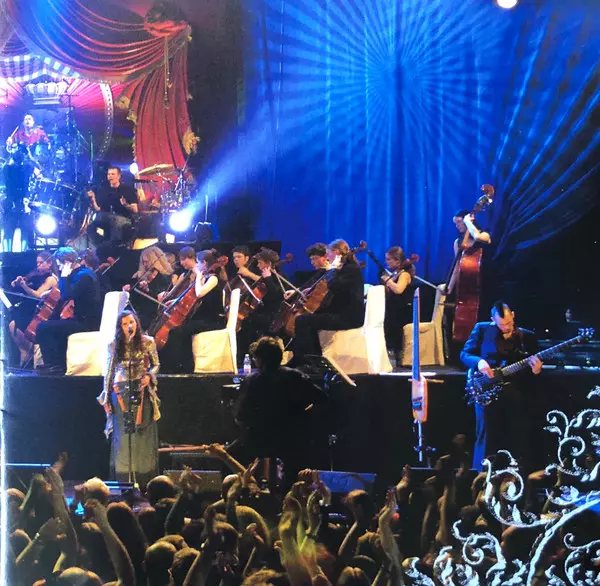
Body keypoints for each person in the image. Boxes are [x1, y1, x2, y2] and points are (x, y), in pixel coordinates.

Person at [460, 301, 542, 471]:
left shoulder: (527, 336)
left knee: (517, 434)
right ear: (493, 320)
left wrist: (536, 369)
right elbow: (465, 354)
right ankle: (482, 475)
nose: (506, 327)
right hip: (486, 390)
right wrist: (479, 362)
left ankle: (515, 476)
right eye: (501, 324)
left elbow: (534, 365)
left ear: (513, 315)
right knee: (486, 435)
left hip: (515, 392)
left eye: (509, 323)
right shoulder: (482, 329)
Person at [234, 336, 324, 488]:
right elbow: (321, 398)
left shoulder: (251, 381)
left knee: (230, 454)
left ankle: (245, 488)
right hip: (292, 441)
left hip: (259, 442)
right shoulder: (295, 376)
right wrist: (304, 415)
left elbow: (240, 415)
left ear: (260, 359)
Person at [97, 310, 160, 487]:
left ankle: (144, 478)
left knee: (141, 432)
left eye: (131, 322)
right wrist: (106, 397)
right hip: (121, 392)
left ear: (136, 323)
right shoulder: (114, 345)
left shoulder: (148, 342)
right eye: (124, 324)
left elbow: (156, 364)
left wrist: (149, 375)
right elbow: (109, 372)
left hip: (141, 390)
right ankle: (125, 478)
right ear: (120, 327)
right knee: (124, 435)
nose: (129, 326)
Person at [290, 239, 365, 365]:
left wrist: (333, 270)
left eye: (329, 254)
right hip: (339, 312)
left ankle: (307, 360)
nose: (328, 258)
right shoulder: (344, 269)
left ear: (336, 252)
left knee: (302, 320)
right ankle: (312, 359)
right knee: (306, 319)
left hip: (349, 317)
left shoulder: (351, 269)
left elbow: (334, 286)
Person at [158, 249, 226, 373]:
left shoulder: (213, 278)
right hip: (204, 319)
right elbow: (192, 297)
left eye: (198, 262)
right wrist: (175, 301)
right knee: (176, 330)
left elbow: (199, 293)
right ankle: (181, 366)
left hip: (214, 320)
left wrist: (199, 276)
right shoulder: (205, 278)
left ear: (204, 263)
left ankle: (177, 367)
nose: (196, 265)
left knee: (178, 331)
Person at [36, 247, 102, 373]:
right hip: (83, 319)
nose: (60, 269)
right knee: (54, 324)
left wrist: (64, 276)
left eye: (60, 265)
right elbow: (68, 290)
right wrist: (50, 292)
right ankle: (59, 363)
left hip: (86, 323)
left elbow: (66, 295)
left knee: (42, 327)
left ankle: (53, 364)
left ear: (67, 263)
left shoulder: (84, 276)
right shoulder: (83, 273)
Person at [7, 251, 59, 366]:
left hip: (44, 313)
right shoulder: (39, 277)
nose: (38, 266)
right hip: (36, 310)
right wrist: (18, 283)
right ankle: (26, 353)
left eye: (41, 263)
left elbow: (37, 295)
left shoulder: (51, 279)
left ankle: (27, 353)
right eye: (37, 263)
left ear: (49, 263)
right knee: (13, 324)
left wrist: (24, 285)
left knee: (14, 325)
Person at [236, 248, 284, 365]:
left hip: (274, 315)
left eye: (260, 263)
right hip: (263, 312)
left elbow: (277, 295)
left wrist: (268, 278)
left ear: (268, 264)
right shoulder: (265, 277)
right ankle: (246, 357)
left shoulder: (278, 277)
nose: (257, 265)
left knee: (248, 322)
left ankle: (247, 357)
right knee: (248, 321)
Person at [124, 246, 174, 331]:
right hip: (137, 311)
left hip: (152, 315)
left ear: (154, 260)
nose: (144, 265)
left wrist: (148, 290)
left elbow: (160, 299)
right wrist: (128, 289)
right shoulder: (140, 276)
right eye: (143, 262)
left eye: (146, 262)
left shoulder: (166, 278)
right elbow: (133, 298)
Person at [86, 167, 138, 244]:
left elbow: (135, 210)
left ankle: (115, 246)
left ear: (119, 176)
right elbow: (98, 209)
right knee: (93, 224)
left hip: (124, 218)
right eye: (109, 174)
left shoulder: (127, 190)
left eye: (113, 174)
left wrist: (126, 205)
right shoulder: (104, 190)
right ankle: (100, 246)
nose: (110, 176)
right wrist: (93, 199)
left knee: (115, 221)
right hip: (107, 217)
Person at [382, 246, 415, 360]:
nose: (386, 262)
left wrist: (388, 281)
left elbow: (399, 289)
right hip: (394, 309)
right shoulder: (396, 273)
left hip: (402, 311)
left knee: (392, 326)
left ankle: (397, 356)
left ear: (397, 260)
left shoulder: (404, 274)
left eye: (389, 259)